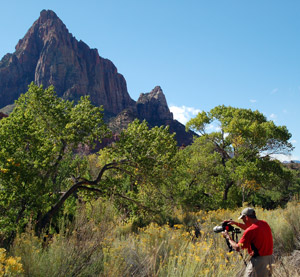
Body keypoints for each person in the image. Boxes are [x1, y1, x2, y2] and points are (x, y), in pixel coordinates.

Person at [222, 207, 274, 277]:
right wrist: (235, 223)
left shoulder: (250, 231)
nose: (243, 221)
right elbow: (250, 227)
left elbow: (237, 248)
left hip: (258, 261)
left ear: (246, 217)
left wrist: (228, 237)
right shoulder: (264, 224)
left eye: (243, 219)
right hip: (269, 260)